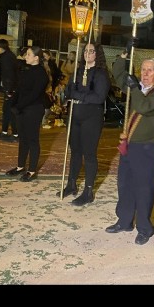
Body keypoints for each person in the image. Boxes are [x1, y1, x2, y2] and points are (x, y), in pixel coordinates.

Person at [105, 50, 154, 245]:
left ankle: (145, 228)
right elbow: (118, 75)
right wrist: (123, 56)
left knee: (144, 189)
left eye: (150, 70)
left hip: (147, 149)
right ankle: (124, 221)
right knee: (124, 184)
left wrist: (134, 88)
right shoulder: (139, 87)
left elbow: (143, 107)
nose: (145, 73)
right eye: (143, 69)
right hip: (130, 146)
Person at [59, 41, 110, 204]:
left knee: (89, 154)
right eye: (86, 50)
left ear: (97, 54)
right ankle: (71, 184)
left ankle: (88, 191)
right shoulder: (78, 71)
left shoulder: (101, 74)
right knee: (74, 151)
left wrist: (77, 95)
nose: (88, 53)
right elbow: (68, 91)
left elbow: (98, 97)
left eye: (92, 51)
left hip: (91, 116)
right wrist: (69, 94)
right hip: (75, 115)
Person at [5, 46, 48, 181]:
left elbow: (35, 94)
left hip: (34, 109)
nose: (25, 57)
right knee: (23, 139)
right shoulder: (26, 69)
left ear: (36, 58)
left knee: (32, 140)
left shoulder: (41, 73)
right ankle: (20, 166)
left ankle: (32, 171)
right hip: (22, 108)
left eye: (28, 54)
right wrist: (12, 103)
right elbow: (20, 89)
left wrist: (19, 106)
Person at [0, 39, 19, 141]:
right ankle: (7, 132)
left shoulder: (7, 58)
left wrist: (9, 90)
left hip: (10, 89)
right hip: (10, 88)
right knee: (7, 110)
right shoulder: (7, 56)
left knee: (9, 111)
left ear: (1, 47)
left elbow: (9, 74)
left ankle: (14, 134)